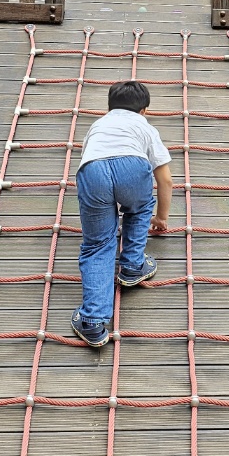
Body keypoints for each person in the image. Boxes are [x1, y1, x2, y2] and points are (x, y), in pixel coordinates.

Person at [71, 80, 174, 347]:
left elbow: (92, 157)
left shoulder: (98, 125)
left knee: (97, 244)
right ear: (144, 110)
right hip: (132, 165)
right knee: (139, 209)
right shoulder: (145, 127)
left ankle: (93, 322)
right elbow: (165, 180)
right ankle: (131, 265)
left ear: (109, 106)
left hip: (92, 170)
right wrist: (161, 217)